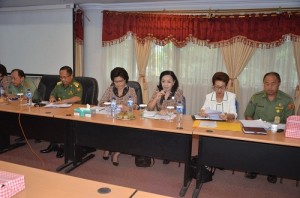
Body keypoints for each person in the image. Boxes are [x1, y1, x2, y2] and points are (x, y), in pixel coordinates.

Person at [244, 72, 295, 183]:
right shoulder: (256, 97)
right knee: (254, 147)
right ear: (263, 84)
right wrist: (255, 128)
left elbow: (289, 121)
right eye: (267, 84)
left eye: (273, 83)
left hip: (278, 133)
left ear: (279, 84)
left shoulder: (287, 100)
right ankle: (253, 169)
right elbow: (248, 115)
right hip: (258, 131)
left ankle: (273, 171)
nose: (270, 87)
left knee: (275, 149)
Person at [40, 66, 83, 158]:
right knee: (49, 121)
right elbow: (52, 94)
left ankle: (64, 147)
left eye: (65, 77)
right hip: (59, 109)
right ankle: (53, 144)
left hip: (72, 112)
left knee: (63, 125)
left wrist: (64, 101)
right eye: (61, 77)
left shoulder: (77, 85)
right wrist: (52, 98)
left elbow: (77, 98)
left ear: (71, 76)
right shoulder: (59, 85)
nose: (62, 79)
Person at [99, 67, 138, 166]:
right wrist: (107, 104)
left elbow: (135, 106)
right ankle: (108, 147)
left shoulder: (131, 90)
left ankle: (117, 153)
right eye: (115, 81)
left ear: (126, 80)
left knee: (122, 131)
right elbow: (101, 102)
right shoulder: (110, 89)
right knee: (106, 128)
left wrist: (127, 107)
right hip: (112, 117)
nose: (118, 84)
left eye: (121, 81)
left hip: (125, 119)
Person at [147, 70, 184, 164]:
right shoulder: (157, 91)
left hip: (172, 121)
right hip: (158, 120)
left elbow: (180, 109)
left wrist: (167, 111)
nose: (165, 84)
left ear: (174, 82)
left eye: (169, 82)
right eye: (163, 81)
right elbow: (149, 108)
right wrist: (156, 98)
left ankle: (167, 154)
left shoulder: (178, 92)